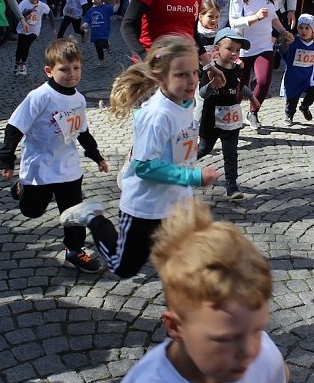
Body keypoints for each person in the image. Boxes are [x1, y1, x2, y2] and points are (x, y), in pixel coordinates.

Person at [100, 197, 288, 383]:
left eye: (257, 329)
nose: (248, 351)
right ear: (175, 327)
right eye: (224, 339)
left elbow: (279, 376)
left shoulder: (264, 355)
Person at [59, 35, 220, 278]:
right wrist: (193, 176)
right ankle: (93, 217)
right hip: (144, 209)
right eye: (181, 75)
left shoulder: (185, 103)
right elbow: (145, 167)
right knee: (122, 267)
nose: (192, 81)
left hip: (175, 205)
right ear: (160, 78)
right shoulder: (157, 115)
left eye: (195, 73)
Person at [0, 38, 108, 274]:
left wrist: (96, 155)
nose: (71, 74)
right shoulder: (39, 97)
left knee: (73, 211)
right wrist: (6, 158)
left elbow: (82, 131)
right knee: (32, 211)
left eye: (76, 68)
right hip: (39, 168)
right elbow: (14, 127)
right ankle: (22, 188)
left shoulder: (78, 98)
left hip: (68, 167)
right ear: (49, 71)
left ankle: (74, 251)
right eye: (64, 69)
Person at [228, 0, 293, 131]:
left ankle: (253, 112)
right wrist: (254, 18)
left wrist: (282, 31)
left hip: (264, 45)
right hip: (242, 47)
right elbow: (233, 22)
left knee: (264, 80)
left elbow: (273, 16)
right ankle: (231, 117)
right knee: (240, 87)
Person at [197, 28, 260, 200]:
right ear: (217, 49)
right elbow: (202, 93)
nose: (234, 53)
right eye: (230, 49)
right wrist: (211, 85)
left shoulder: (237, 68)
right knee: (204, 148)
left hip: (231, 120)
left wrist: (252, 97)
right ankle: (177, 168)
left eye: (237, 50)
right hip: (211, 119)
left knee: (231, 153)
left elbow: (240, 86)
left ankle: (232, 186)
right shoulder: (210, 69)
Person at [280, 14, 314, 126]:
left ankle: (304, 107)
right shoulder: (293, 41)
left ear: (312, 30)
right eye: (301, 28)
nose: (303, 31)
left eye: (307, 28)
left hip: (308, 76)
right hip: (294, 75)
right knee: (292, 98)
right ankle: (289, 115)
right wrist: (285, 44)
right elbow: (284, 54)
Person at [14, 0, 53, 76]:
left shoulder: (42, 5)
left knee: (26, 45)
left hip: (34, 31)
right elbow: (19, 15)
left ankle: (23, 65)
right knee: (19, 47)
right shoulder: (23, 3)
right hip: (22, 29)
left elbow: (50, 13)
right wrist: (29, 11)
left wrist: (53, 27)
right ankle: (16, 63)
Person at [81, 0, 115, 68]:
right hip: (95, 32)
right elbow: (88, 18)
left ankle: (107, 45)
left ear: (102, 0)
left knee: (102, 43)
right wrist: (84, 25)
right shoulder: (92, 9)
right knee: (98, 47)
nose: (95, 0)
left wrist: (117, 4)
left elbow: (114, 10)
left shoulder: (106, 8)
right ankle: (101, 60)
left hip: (103, 30)